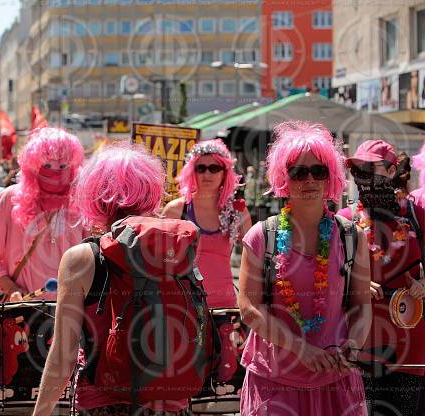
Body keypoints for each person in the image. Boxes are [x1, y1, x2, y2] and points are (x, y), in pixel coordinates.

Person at [34, 143, 204, 415]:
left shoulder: (81, 258)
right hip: (169, 402)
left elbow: (63, 355)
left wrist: (40, 412)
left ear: (95, 195)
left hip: (104, 402)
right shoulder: (177, 249)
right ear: (151, 191)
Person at [238, 121, 371, 415]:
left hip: (336, 382)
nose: (309, 180)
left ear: (330, 177)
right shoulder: (262, 236)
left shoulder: (351, 236)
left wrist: (353, 345)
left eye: (318, 171)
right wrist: (301, 349)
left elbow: (362, 307)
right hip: (274, 383)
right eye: (298, 172)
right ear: (284, 178)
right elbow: (249, 309)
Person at [338, 139, 425, 416]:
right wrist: (354, 282)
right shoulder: (345, 218)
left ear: (391, 171)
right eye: (359, 172)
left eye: (371, 169)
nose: (364, 178)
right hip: (363, 343)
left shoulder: (415, 213)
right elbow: (329, 278)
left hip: (412, 344)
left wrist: (424, 285)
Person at [0, 127, 86, 301]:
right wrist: (11, 288)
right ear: (34, 166)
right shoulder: (10, 198)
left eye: (63, 165)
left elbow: (92, 258)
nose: (55, 172)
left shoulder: (81, 203)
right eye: (47, 165)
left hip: (71, 310)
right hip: (25, 311)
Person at [163, 139, 251, 308]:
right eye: (201, 168)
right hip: (183, 307)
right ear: (192, 172)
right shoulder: (175, 210)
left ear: (225, 172)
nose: (207, 174)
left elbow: (254, 261)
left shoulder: (238, 210)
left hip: (225, 309)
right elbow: (161, 263)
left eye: (214, 168)